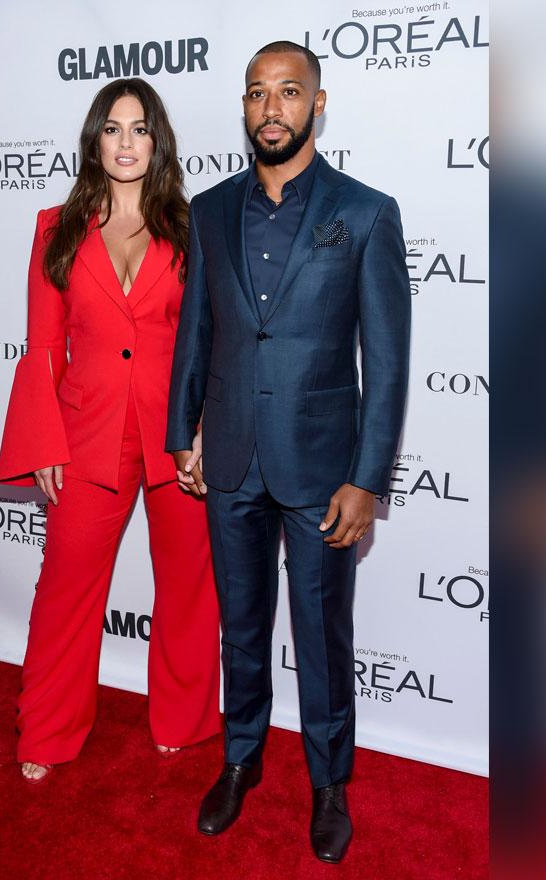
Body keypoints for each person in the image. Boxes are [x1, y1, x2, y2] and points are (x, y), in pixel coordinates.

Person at [166, 42, 410, 863]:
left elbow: (388, 360)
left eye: (289, 92)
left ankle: (329, 783)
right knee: (240, 625)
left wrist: (368, 478)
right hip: (230, 454)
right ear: (244, 107)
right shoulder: (209, 209)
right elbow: (194, 334)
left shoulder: (368, 213)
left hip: (320, 470)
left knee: (321, 632)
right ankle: (241, 760)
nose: (272, 107)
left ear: (318, 102)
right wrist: (182, 433)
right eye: (257, 94)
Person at [0, 78, 221, 784]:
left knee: (189, 585)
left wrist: (207, 427)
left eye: (140, 128)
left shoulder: (193, 228)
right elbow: (40, 346)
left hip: (178, 437)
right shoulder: (52, 227)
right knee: (64, 589)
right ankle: (49, 728)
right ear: (95, 140)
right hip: (84, 437)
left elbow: (213, 340)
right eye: (113, 128)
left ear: (159, 142)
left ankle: (184, 719)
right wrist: (43, 444)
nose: (126, 142)